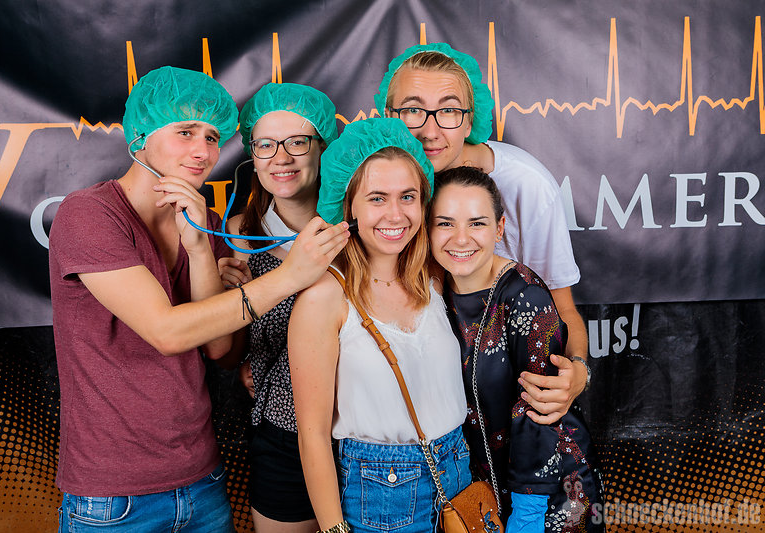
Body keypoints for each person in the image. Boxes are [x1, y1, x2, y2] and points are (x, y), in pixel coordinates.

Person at [48, 66, 349, 532]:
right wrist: (291, 276)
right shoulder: (89, 214)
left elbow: (220, 350)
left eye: (211, 137)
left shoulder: (203, 221)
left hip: (202, 480)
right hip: (113, 496)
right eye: (185, 132)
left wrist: (200, 252)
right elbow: (168, 332)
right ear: (141, 134)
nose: (203, 151)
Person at [375, 43, 590, 422]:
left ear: (469, 119)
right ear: (389, 116)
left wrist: (578, 371)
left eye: (448, 111)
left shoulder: (527, 185)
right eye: (412, 110)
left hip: (506, 406)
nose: (429, 131)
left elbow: (563, 306)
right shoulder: (378, 187)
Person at [289, 118, 472, 533]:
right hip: (381, 492)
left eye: (408, 197)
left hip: (458, 473)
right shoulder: (323, 298)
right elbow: (312, 435)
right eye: (377, 198)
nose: (395, 214)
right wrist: (334, 529)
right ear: (348, 206)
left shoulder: (436, 276)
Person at [429, 166, 603, 532]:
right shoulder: (433, 292)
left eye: (477, 223)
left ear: (499, 228)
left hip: (548, 491)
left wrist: (527, 513)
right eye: (445, 223)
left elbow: (538, 408)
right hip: (480, 487)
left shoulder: (525, 297)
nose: (460, 238)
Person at [217, 82, 339, 533]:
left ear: (322, 146)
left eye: (297, 142)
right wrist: (230, 304)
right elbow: (227, 354)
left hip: (365, 438)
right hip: (283, 437)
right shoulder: (240, 236)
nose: (281, 157)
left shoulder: (364, 225)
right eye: (266, 145)